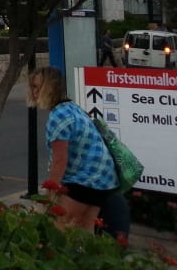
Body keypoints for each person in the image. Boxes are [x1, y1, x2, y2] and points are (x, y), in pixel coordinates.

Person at [28, 67, 118, 230]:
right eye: (33, 87)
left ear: (49, 88)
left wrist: (50, 195)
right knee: (85, 229)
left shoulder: (58, 116)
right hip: (104, 178)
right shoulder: (72, 107)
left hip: (82, 179)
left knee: (60, 226)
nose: (34, 92)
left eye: (37, 87)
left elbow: (60, 161)